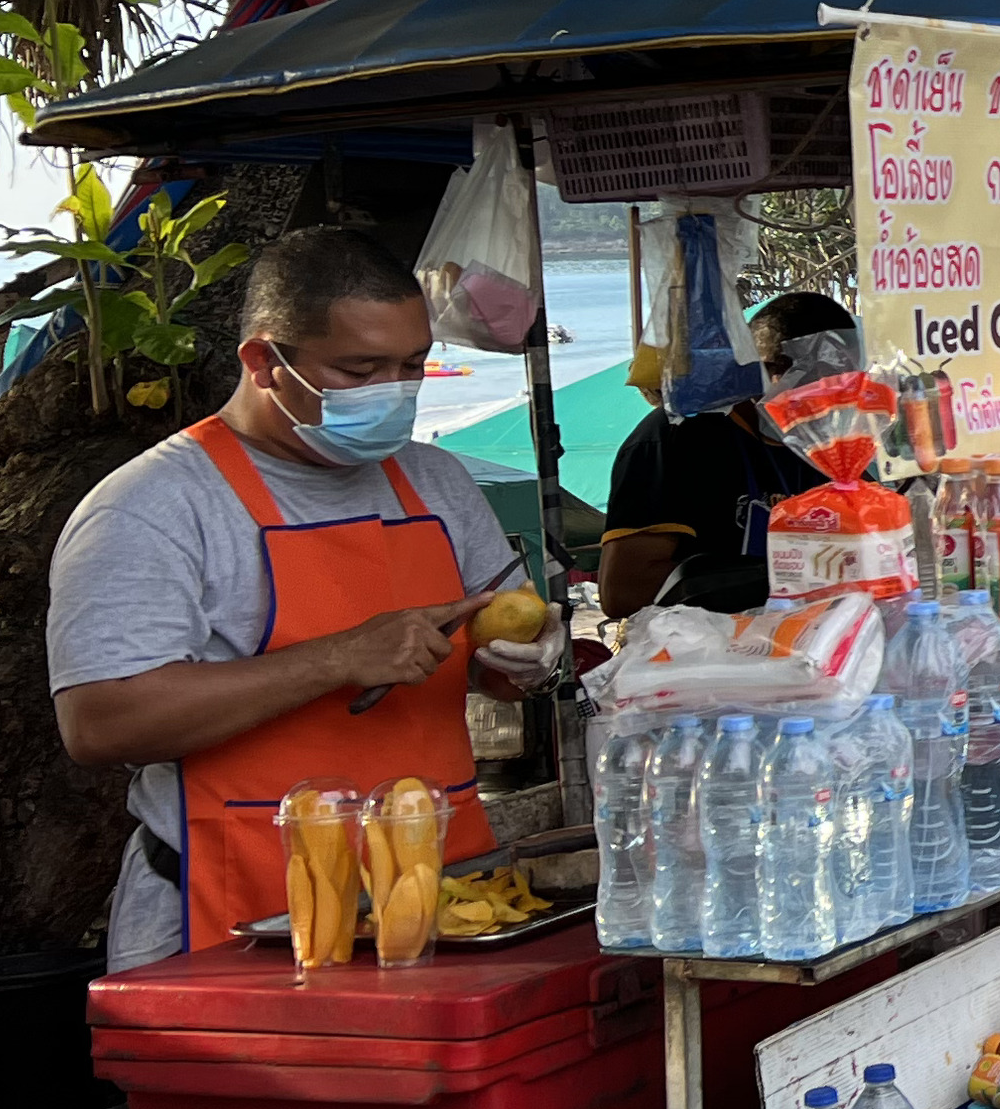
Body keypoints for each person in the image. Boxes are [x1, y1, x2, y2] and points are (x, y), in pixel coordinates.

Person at [50, 226, 557, 967]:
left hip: (441, 902)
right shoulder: (150, 508)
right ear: (264, 362)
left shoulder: (437, 481)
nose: (395, 393)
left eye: (412, 366)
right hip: (234, 916)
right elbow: (99, 724)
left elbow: (493, 659)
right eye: (360, 370)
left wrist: (521, 663)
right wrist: (337, 658)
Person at [599, 291, 858, 612]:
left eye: (843, 388)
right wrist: (787, 574)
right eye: (814, 385)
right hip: (697, 649)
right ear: (758, 371)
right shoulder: (674, 439)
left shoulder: (825, 449)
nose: (830, 405)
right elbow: (622, 592)